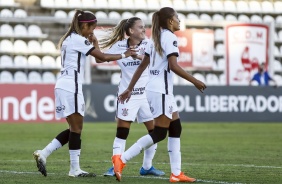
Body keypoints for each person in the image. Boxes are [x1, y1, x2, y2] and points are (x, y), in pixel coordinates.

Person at [32, 10, 137, 177]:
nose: (92, 32)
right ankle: (73, 169)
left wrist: (94, 43)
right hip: (70, 87)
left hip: (63, 85)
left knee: (74, 128)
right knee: (77, 128)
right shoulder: (78, 40)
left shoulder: (70, 39)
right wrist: (126, 54)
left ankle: (44, 154)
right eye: (91, 28)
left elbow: (98, 58)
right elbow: (103, 57)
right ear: (84, 25)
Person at [113, 7, 206, 182]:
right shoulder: (169, 37)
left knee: (175, 127)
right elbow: (173, 66)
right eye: (177, 17)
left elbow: (142, 66)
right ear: (170, 21)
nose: (179, 20)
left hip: (158, 90)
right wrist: (195, 81)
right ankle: (121, 160)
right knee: (159, 134)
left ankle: (176, 173)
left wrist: (129, 88)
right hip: (160, 91)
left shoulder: (155, 38)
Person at [95, 17, 164, 177]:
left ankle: (147, 167)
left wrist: (138, 57)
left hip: (147, 96)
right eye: (140, 27)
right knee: (122, 133)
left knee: (154, 133)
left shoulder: (149, 44)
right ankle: (115, 167)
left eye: (144, 26)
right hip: (128, 96)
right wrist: (96, 44)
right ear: (131, 31)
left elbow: (157, 63)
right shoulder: (119, 46)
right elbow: (100, 58)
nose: (144, 29)